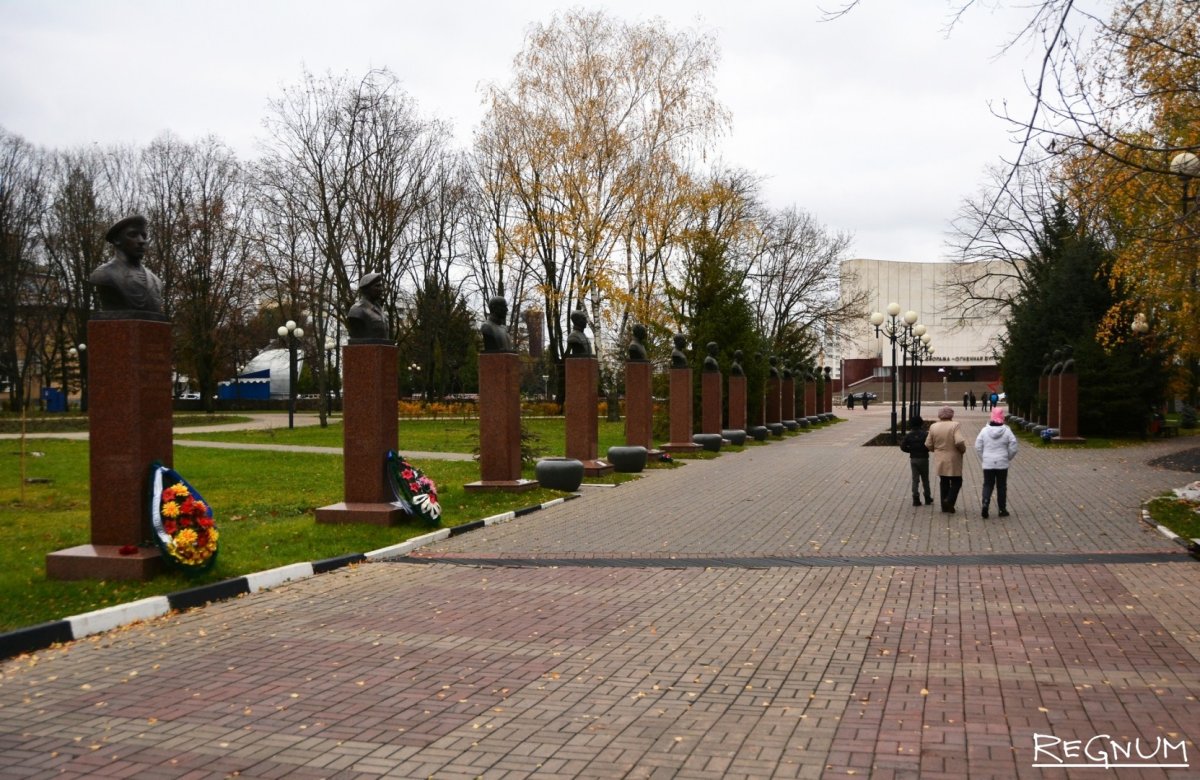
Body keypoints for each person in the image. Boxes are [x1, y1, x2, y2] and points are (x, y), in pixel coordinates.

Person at [89, 215, 164, 314]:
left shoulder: (156, 281)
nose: (141, 241)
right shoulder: (104, 275)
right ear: (117, 240)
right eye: (133, 235)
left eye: (144, 236)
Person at [975, 406, 1018, 518]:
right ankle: (1002, 509)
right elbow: (1014, 446)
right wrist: (1007, 457)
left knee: (988, 484)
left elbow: (978, 446)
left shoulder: (984, 431)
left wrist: (984, 457)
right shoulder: (1007, 431)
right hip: (1002, 463)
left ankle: (985, 502)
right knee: (1001, 486)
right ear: (1002, 417)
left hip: (988, 463)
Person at [926, 405, 967, 513]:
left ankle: (945, 507)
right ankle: (949, 500)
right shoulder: (955, 425)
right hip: (953, 458)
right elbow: (959, 441)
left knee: (943, 481)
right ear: (951, 415)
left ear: (940, 415)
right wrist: (962, 450)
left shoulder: (933, 426)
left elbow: (928, 444)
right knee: (957, 481)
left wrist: (935, 450)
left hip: (940, 458)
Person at [900, 416, 934, 507]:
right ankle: (927, 497)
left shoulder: (909, 435)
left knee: (915, 479)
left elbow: (902, 447)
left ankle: (915, 498)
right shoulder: (925, 434)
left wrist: (910, 451)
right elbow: (929, 444)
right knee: (925, 479)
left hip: (914, 459)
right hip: (924, 458)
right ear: (921, 423)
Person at [347, 272, 390, 340]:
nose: (381, 289)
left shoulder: (381, 310)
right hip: (366, 349)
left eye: (381, 286)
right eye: (377, 286)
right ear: (366, 289)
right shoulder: (357, 310)